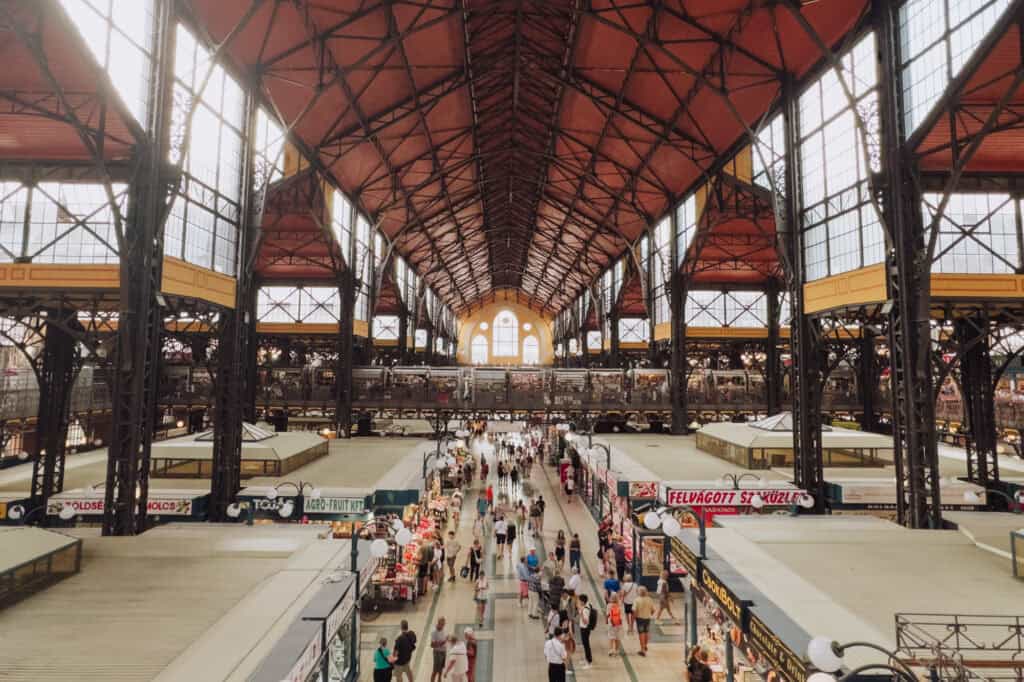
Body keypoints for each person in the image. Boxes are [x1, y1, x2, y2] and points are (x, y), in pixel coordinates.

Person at [633, 586, 656, 657]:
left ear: (638, 592)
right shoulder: (650, 599)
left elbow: (635, 610)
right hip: (647, 618)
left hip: (640, 619)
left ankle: (642, 649)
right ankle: (645, 645)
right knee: (646, 632)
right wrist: (649, 614)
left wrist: (634, 618)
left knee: (641, 633)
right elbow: (653, 610)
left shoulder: (637, 600)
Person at [578, 594, 596, 669]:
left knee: (586, 645)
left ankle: (589, 662)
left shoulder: (585, 610)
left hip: (585, 629)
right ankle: (586, 659)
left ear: (582, 601)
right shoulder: (589, 605)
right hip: (585, 629)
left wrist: (581, 614)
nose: (579, 602)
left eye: (579, 601)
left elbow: (585, 622)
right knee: (585, 644)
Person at [430, 618, 448, 682]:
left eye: (444, 624)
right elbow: (432, 645)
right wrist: (442, 643)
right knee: (435, 670)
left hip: (443, 652)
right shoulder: (434, 632)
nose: (443, 626)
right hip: (437, 653)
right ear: (438, 623)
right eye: (442, 624)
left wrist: (447, 639)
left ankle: (439, 680)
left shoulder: (444, 629)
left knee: (441, 669)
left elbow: (446, 638)